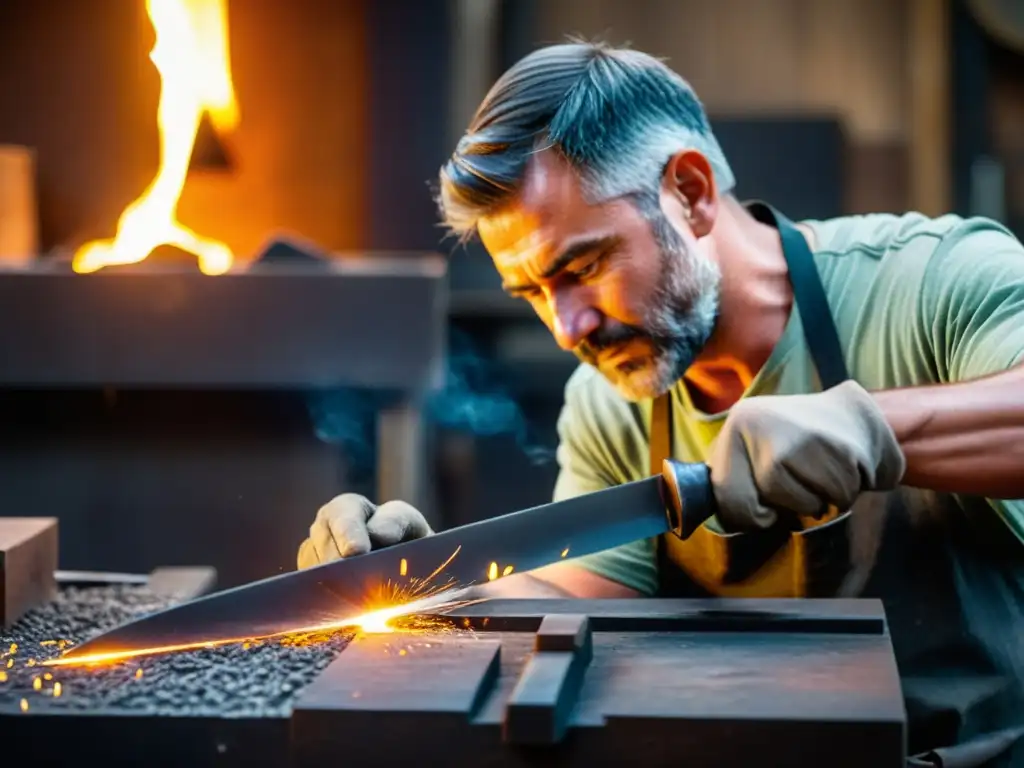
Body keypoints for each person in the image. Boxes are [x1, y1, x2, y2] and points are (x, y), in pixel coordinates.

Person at [297, 41, 1024, 765]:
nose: (566, 326)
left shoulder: (934, 281)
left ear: (691, 193)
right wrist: (430, 592)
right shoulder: (609, 400)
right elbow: (590, 586)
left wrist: (867, 428)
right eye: (532, 295)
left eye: (582, 266)